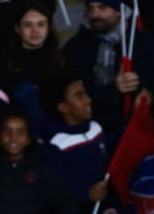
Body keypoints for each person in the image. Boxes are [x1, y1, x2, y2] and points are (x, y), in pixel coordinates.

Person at [63, 0, 154, 139]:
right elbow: (71, 91)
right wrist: (114, 89)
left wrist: (148, 95)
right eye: (91, 8)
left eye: (102, 8)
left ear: (119, 11)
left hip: (133, 128)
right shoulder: (76, 46)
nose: (95, 14)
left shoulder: (143, 43)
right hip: (91, 127)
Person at [39, 68, 109, 206]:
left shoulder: (97, 128)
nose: (88, 100)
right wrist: (86, 194)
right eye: (79, 96)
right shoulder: (56, 145)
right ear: (63, 107)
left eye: (86, 94)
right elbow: (54, 192)